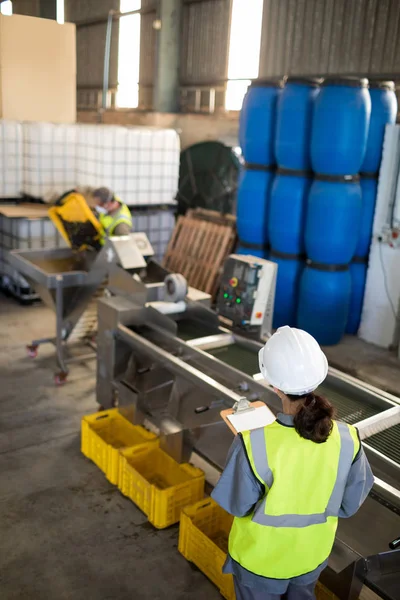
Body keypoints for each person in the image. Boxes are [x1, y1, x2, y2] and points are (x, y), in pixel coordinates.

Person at [211, 326, 374, 600]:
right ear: (319, 377)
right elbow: (348, 506)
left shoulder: (253, 443)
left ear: (274, 386)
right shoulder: (348, 440)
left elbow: (237, 505)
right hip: (310, 558)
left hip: (259, 564)